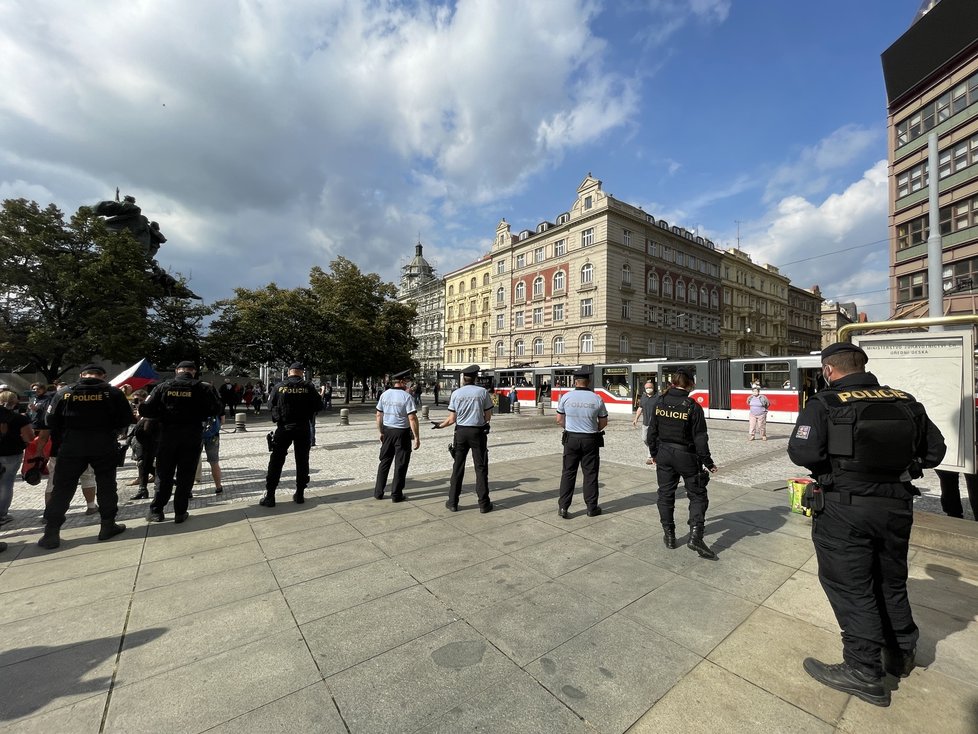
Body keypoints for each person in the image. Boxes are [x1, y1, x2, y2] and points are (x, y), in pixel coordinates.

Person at [788, 342, 946, 707]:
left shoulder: (825, 403)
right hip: (895, 507)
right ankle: (901, 653)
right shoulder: (904, 401)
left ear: (828, 370)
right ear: (864, 365)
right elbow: (935, 452)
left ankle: (862, 668)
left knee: (851, 585)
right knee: (890, 579)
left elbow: (803, 453)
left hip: (844, 509)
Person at [37, 364, 134, 549]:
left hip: (71, 445)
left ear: (82, 375)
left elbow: (50, 420)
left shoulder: (64, 392)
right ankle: (107, 525)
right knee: (106, 485)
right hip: (103, 444)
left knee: (62, 489)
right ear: (103, 376)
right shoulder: (113, 393)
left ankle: (51, 532)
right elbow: (126, 419)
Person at [647, 368, 719, 558]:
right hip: (687, 456)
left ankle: (669, 536)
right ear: (689, 383)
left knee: (665, 494)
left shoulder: (659, 401)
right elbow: (700, 438)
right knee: (697, 495)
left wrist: (654, 453)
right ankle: (696, 536)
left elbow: (651, 432)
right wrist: (708, 462)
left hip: (664, 453)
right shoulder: (692, 406)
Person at [139, 361, 222, 524]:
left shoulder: (163, 387)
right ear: (194, 372)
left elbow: (146, 409)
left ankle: (156, 510)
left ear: (177, 371)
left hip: (167, 435)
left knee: (164, 473)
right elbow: (217, 409)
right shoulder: (203, 388)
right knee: (186, 474)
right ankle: (180, 511)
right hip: (192, 434)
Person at [432, 364, 493, 513]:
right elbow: (487, 416)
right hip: (477, 432)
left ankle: (453, 502)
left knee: (458, 467)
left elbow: (452, 419)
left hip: (461, 433)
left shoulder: (457, 393)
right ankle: (484, 504)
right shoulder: (483, 392)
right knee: (481, 467)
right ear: (476, 377)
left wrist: (440, 425)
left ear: (463, 379)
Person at [261, 363, 323, 507]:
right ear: (301, 372)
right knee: (302, 461)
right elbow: (319, 406)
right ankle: (300, 493)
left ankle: (270, 495)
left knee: (276, 461)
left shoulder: (279, 387)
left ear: (289, 372)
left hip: (284, 428)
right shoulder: (308, 387)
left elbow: (270, 406)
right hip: (302, 427)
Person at [555, 366, 608, 519]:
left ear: (575, 382)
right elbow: (603, 422)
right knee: (590, 474)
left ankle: (563, 508)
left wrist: (570, 428)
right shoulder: (597, 398)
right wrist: (592, 428)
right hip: (590, 440)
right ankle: (591, 508)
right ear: (589, 382)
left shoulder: (566, 397)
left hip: (571, 438)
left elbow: (559, 420)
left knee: (568, 473)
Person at [374, 369, 421, 502]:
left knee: (384, 461)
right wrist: (416, 437)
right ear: (401, 381)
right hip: (402, 432)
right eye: (406, 381)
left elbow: (378, 415)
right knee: (400, 463)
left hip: (388, 431)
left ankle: (378, 492)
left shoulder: (385, 394)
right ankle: (396, 494)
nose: (408, 383)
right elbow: (412, 418)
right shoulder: (407, 397)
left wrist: (381, 431)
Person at [0, 390, 34, 525]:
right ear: (15, 403)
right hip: (11, 453)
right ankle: (2, 514)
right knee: (6, 483)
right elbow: (29, 437)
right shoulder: (20, 418)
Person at [632, 380, 659, 465]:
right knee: (645, 438)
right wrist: (636, 418)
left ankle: (650, 456)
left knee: (652, 439)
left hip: (655, 424)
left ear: (653, 388)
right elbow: (640, 408)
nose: (648, 389)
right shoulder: (643, 397)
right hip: (645, 423)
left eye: (650, 387)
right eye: (647, 388)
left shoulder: (658, 397)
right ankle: (652, 451)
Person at [202, 414, 224, 495]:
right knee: (214, 462)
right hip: (213, 436)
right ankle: (218, 487)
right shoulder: (216, 402)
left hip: (196, 434)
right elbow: (223, 420)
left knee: (193, 463)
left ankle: (188, 491)